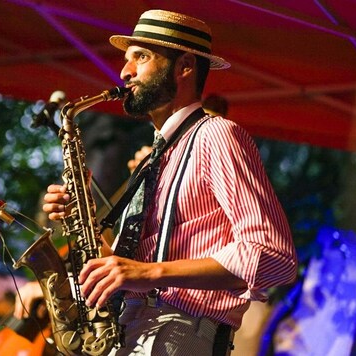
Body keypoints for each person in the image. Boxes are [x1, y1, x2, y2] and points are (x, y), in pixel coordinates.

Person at [18, 9, 297, 355]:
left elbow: (272, 256)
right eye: (126, 58)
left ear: (184, 66)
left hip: (179, 331)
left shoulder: (217, 135)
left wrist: (148, 273)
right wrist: (83, 223)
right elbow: (131, 269)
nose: (124, 71)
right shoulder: (157, 155)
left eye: (141, 57)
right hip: (130, 329)